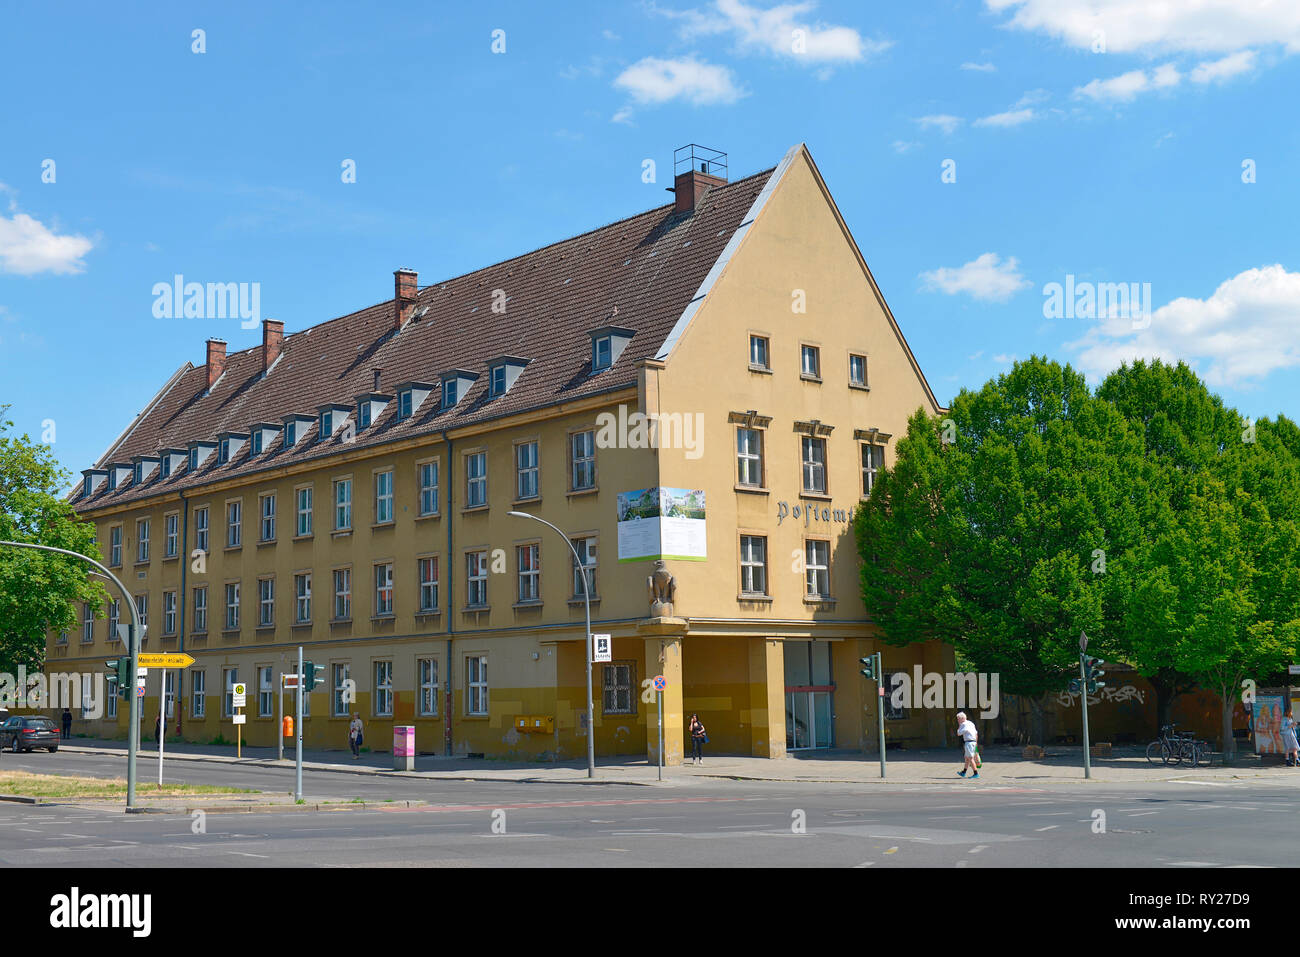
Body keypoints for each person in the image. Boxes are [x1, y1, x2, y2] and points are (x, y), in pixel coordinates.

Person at [956, 711, 980, 779]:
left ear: (962, 718)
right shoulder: (971, 723)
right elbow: (976, 733)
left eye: (958, 719)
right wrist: (976, 743)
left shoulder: (963, 724)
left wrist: (960, 725)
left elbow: (959, 733)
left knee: (970, 758)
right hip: (973, 742)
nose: (958, 720)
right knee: (967, 758)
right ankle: (963, 772)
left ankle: (976, 773)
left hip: (968, 742)